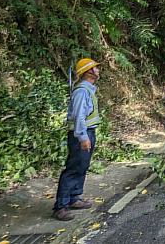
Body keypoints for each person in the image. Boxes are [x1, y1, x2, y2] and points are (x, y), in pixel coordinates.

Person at [53, 58, 101, 221]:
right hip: (81, 134)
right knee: (73, 168)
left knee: (82, 166)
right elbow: (78, 115)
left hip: (88, 131)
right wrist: (82, 137)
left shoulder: (89, 89)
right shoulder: (81, 91)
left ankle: (74, 198)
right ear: (89, 72)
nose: (98, 70)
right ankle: (61, 206)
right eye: (95, 68)